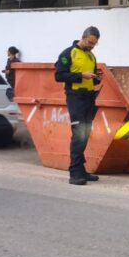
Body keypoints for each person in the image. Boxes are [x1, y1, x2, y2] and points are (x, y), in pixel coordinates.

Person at [55, 26, 103, 186]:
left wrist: (97, 78)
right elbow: (59, 75)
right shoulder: (68, 53)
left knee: (85, 134)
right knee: (78, 134)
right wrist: (80, 76)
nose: (91, 46)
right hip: (75, 97)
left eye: (94, 44)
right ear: (83, 37)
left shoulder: (91, 56)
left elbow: (93, 78)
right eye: (90, 42)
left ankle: (81, 169)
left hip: (89, 97)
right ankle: (74, 173)